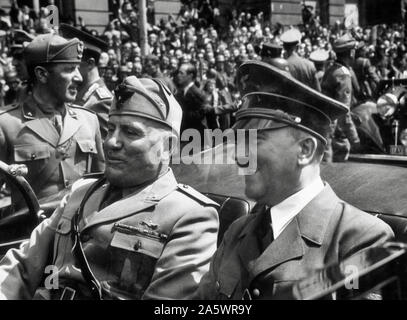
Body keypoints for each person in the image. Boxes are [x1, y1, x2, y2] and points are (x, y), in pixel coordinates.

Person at [0, 75, 219, 300]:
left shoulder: (189, 215)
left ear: (168, 146)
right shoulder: (81, 192)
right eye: (110, 129)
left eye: (130, 132)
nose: (111, 142)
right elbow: (23, 266)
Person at [197, 61, 394, 300]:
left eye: (256, 141)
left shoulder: (361, 240)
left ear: (305, 150)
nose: (240, 156)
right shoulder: (237, 232)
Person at [0, 33, 104, 207]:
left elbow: (102, 185)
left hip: (79, 229)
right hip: (30, 231)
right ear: (42, 74)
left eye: (78, 68)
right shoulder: (7, 125)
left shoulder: (89, 120)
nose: (78, 77)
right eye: (70, 69)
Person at [59, 24, 113, 140]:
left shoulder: (102, 102)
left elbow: (106, 152)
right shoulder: (79, 93)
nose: (70, 70)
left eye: (74, 64)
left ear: (90, 63)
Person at [321, 34, 361, 162]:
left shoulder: (332, 69)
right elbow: (343, 112)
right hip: (334, 133)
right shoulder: (343, 75)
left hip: (324, 126)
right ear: (351, 53)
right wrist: (355, 139)